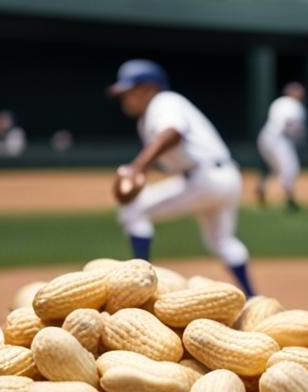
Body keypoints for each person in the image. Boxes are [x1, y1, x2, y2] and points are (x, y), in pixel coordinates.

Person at [108, 59, 255, 296]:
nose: (126, 99)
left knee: (133, 210)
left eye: (130, 92)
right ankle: (253, 297)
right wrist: (142, 169)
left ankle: (140, 286)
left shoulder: (164, 101)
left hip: (204, 180)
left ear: (150, 88)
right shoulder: (151, 117)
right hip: (224, 177)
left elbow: (172, 134)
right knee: (222, 242)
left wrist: (137, 167)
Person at [255, 82, 307, 212]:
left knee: (275, 168)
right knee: (290, 168)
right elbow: (289, 124)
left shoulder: (278, 102)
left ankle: (261, 187)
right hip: (280, 140)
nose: (300, 93)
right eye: (297, 91)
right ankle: (290, 200)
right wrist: (298, 138)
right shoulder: (295, 105)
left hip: (265, 137)